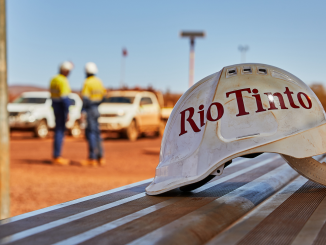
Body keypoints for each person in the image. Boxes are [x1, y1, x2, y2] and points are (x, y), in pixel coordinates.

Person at [80, 62, 106, 167]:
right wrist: (97, 103)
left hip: (90, 110)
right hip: (97, 109)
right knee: (97, 133)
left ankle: (92, 157)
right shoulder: (99, 82)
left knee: (90, 133)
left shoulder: (87, 82)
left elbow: (85, 99)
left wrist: (83, 110)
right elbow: (104, 97)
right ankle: (100, 157)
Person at [49, 61, 73, 165]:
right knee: (60, 131)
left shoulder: (53, 79)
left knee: (57, 131)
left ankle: (56, 155)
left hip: (55, 106)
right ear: (65, 71)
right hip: (61, 108)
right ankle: (57, 156)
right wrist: (67, 111)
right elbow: (64, 98)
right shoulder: (63, 80)